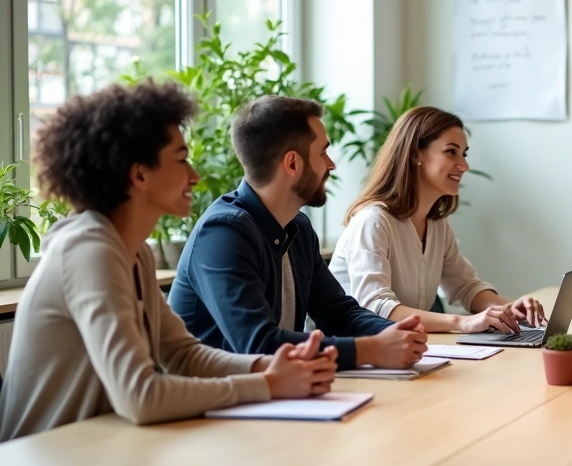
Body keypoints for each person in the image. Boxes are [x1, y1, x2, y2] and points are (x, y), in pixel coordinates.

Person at [0, 82, 337, 443]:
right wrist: (266, 384)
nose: (194, 176)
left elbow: (183, 355)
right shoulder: (89, 250)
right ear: (140, 174)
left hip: (98, 453)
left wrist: (267, 366)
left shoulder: (134, 252)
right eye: (181, 159)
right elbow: (140, 396)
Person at [170, 96, 427, 371]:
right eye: (322, 153)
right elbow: (257, 344)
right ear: (292, 164)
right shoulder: (223, 233)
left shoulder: (298, 228)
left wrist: (397, 333)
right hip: (214, 403)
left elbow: (339, 314)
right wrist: (371, 350)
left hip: (271, 395)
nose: (331, 165)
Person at [329, 107, 546, 332]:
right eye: (451, 152)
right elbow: (375, 307)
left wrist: (510, 309)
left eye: (464, 154)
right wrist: (462, 322)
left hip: (403, 349)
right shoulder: (372, 221)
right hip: (348, 353)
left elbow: (466, 286)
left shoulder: (436, 224)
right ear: (415, 154)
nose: (464, 165)